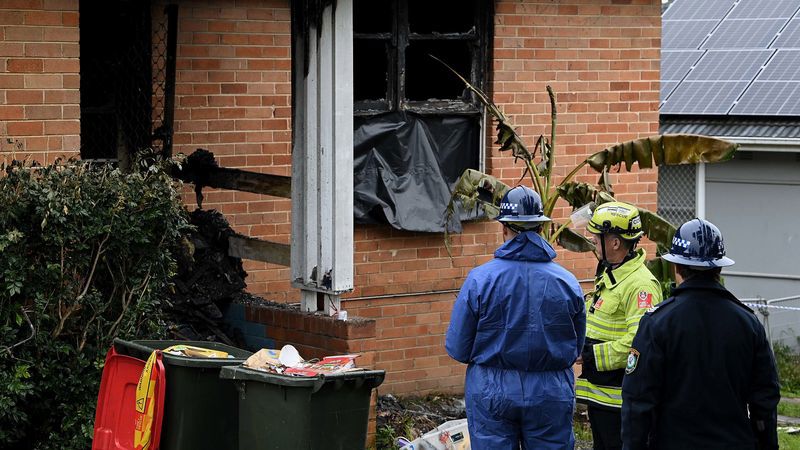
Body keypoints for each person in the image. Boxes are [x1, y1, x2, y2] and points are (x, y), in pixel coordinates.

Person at [445, 185, 586, 450]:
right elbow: (576, 347)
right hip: (550, 390)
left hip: (491, 389)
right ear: (541, 229)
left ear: (504, 229)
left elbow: (458, 348)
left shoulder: (480, 279)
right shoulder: (568, 282)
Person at [621, 218, 780, 449]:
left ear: (677, 267)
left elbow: (638, 402)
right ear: (720, 267)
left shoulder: (657, 323)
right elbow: (765, 399)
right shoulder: (749, 324)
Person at [576, 202, 662, 450]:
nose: (591, 239)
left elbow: (640, 343)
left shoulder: (640, 286)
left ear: (615, 243)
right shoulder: (612, 273)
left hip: (620, 404)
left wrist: (589, 355)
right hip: (602, 400)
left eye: (597, 236)